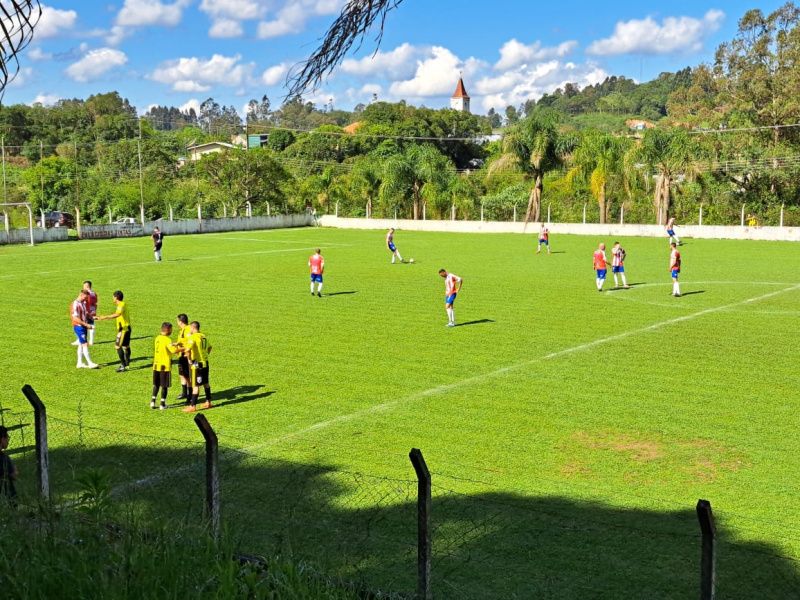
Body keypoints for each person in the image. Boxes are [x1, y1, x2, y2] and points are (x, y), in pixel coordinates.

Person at [97, 290, 132, 372]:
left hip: (123, 329)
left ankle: (123, 366)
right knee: (126, 346)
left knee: (117, 346)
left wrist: (104, 317)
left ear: (116, 297)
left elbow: (117, 314)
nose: (112, 298)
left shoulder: (121, 305)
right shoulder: (122, 304)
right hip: (127, 328)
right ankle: (127, 364)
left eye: (113, 297)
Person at [182, 321, 212, 413]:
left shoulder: (193, 337)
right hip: (205, 363)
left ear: (193, 328)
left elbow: (187, 350)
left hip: (197, 365)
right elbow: (210, 347)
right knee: (206, 383)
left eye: (190, 328)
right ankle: (208, 402)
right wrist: (204, 355)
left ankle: (193, 406)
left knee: (195, 385)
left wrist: (189, 360)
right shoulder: (203, 336)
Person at [152, 322, 179, 410]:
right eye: (171, 329)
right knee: (164, 386)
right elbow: (173, 351)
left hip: (156, 365)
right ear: (168, 330)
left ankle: (152, 402)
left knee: (156, 384)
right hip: (165, 366)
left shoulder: (157, 338)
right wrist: (180, 347)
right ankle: (162, 404)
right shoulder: (167, 340)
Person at [71, 289, 99, 369]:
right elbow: (75, 318)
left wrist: (91, 317)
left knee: (80, 344)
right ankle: (90, 363)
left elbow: (85, 313)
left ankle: (79, 363)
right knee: (85, 344)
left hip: (83, 326)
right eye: (85, 298)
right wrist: (86, 324)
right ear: (81, 295)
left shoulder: (83, 303)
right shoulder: (75, 304)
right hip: (79, 326)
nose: (86, 299)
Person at [175, 314, 192, 402]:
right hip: (181, 355)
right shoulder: (182, 330)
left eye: (177, 321)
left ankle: (190, 395)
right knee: (182, 374)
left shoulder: (188, 330)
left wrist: (179, 349)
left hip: (185, 356)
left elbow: (189, 344)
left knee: (187, 376)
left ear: (180, 321)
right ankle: (184, 392)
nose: (177, 322)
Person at [0, 426, 17, 506]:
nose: (8, 440)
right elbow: (14, 475)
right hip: (5, 499)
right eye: (7, 437)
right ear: (2, 439)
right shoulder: (4, 458)